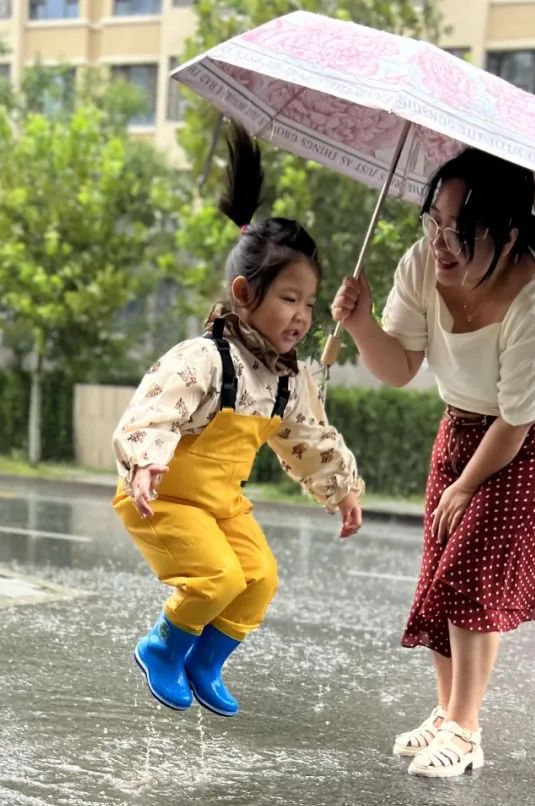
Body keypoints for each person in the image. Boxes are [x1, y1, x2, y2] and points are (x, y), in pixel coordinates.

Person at [331, 148, 535, 777]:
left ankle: (466, 731)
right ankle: (447, 713)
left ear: (508, 234)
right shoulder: (423, 263)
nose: (441, 242)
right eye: (434, 223)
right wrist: (360, 322)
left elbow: (517, 419)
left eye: (461, 230)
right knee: (440, 569)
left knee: (473, 572)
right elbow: (398, 368)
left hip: (534, 434)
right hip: (463, 423)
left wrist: (467, 486)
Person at [112, 126, 365, 718]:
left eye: (309, 303)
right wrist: (146, 462)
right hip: (165, 498)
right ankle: (162, 647)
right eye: (288, 299)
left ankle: (205, 661)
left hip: (222, 505)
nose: (301, 316)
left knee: (259, 579)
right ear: (245, 292)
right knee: (219, 577)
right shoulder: (206, 358)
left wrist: (342, 487)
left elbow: (310, 439)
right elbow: (155, 409)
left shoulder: (287, 381)